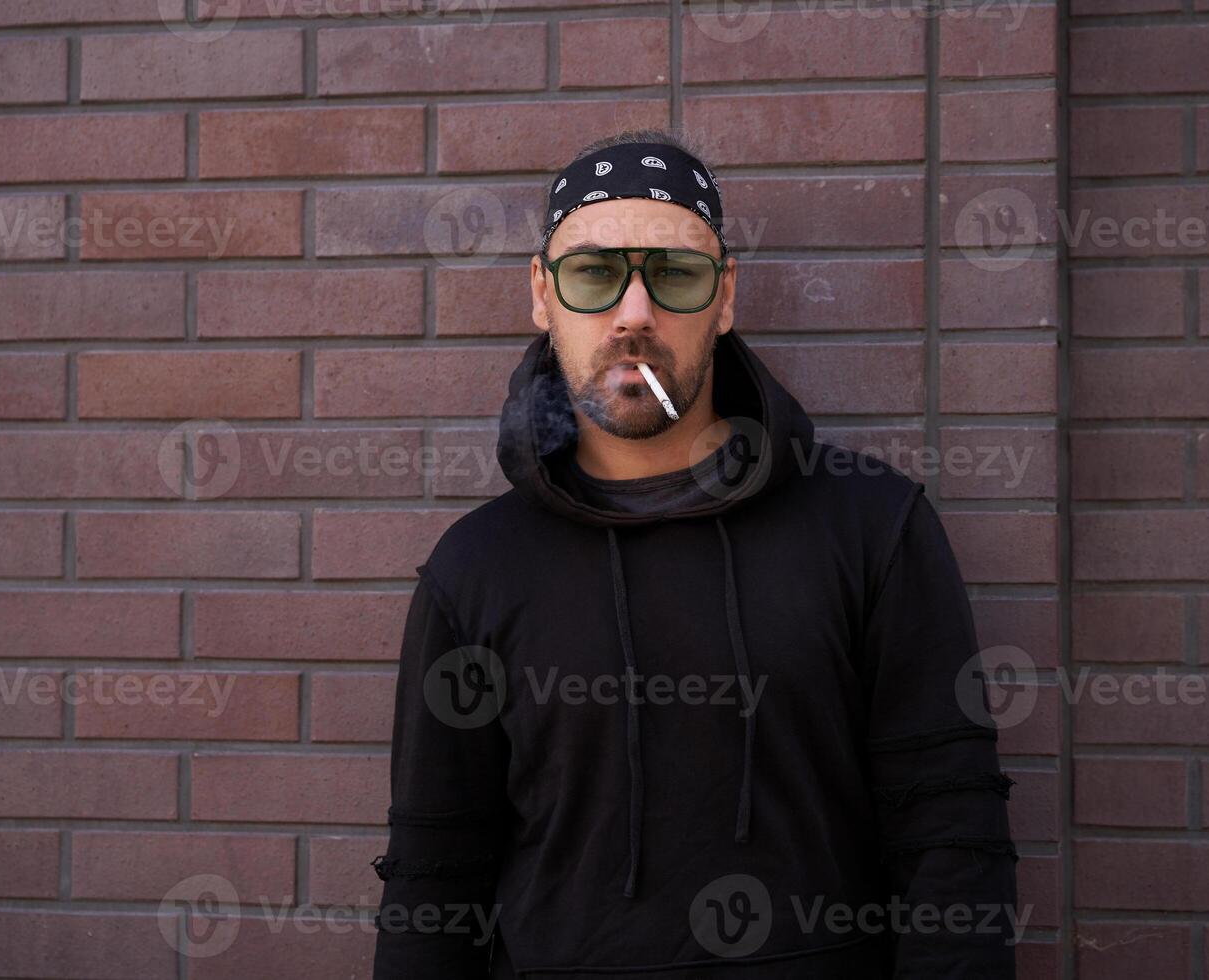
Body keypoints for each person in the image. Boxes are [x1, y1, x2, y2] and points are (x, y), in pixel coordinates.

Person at [372, 129, 1019, 979]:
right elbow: (434, 877)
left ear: (724, 297)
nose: (634, 314)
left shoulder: (871, 529)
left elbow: (953, 842)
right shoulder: (476, 571)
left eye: (674, 275)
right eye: (595, 274)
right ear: (541, 293)